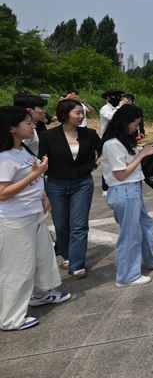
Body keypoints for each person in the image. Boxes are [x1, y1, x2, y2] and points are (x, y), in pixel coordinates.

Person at [0, 106, 71, 331]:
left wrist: (43, 194)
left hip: (34, 214)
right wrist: (35, 174)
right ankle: (10, 318)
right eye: (28, 123)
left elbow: (31, 180)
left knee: (43, 258)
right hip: (15, 219)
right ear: (11, 128)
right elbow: (2, 193)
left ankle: (40, 294)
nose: (33, 126)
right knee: (18, 269)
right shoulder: (4, 157)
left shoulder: (23, 149)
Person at [99, 105, 153, 287]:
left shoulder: (123, 141)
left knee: (145, 226)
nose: (136, 128)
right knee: (130, 235)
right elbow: (121, 174)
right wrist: (142, 154)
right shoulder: (112, 144)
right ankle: (126, 276)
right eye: (135, 124)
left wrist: (144, 149)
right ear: (124, 123)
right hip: (123, 189)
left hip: (131, 189)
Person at [38, 99, 100, 279]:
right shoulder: (48, 136)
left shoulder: (89, 133)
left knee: (79, 225)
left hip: (82, 183)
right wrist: (42, 192)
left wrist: (94, 165)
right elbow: (42, 162)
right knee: (62, 225)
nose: (82, 116)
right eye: (78, 113)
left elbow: (105, 149)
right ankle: (67, 255)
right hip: (56, 184)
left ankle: (77, 263)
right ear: (65, 114)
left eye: (82, 113)